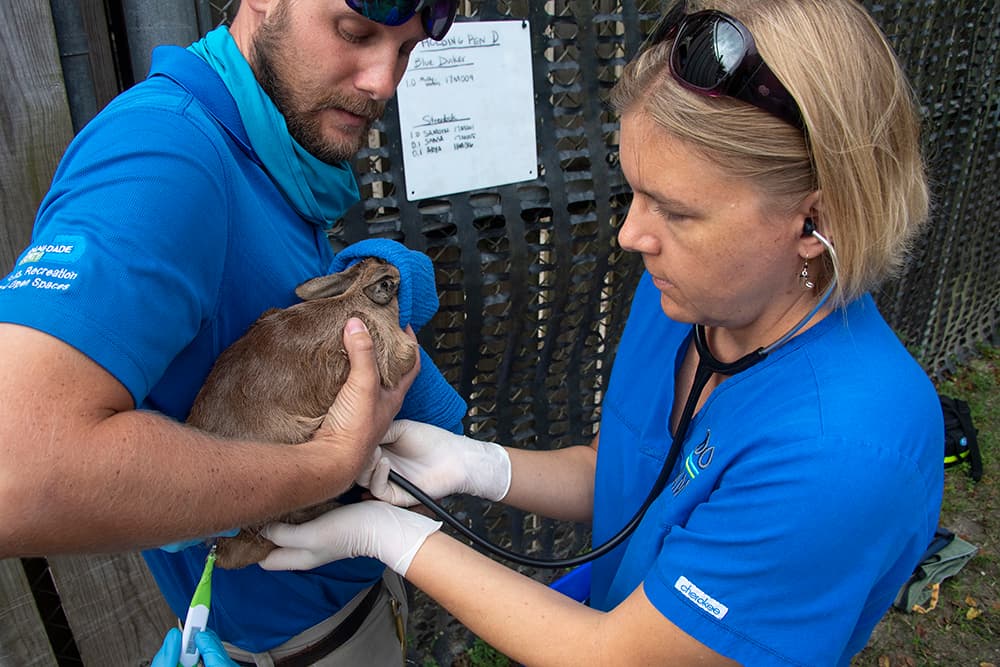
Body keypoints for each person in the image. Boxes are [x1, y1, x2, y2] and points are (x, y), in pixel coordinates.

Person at [254, 0, 945, 665]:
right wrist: (480, 465)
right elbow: (633, 472)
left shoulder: (843, 451)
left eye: (676, 212)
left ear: (811, 221)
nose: (632, 234)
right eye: (634, 190)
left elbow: (615, 653)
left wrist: (396, 538)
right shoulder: (692, 299)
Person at [0, 1, 465, 664]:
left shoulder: (274, 152)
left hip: (350, 609)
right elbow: (15, 466)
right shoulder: (167, 158)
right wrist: (323, 463)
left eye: (407, 50)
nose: (382, 81)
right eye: (355, 33)